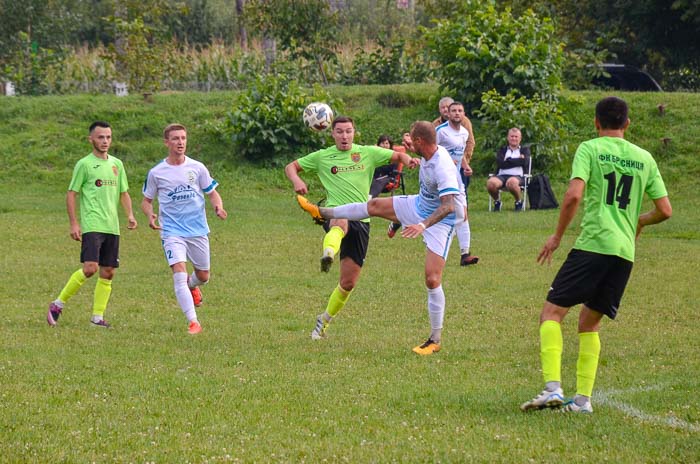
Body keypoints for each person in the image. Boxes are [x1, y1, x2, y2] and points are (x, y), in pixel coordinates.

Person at [520, 97, 672, 414]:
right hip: (624, 253)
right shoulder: (645, 158)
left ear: (596, 122)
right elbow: (665, 211)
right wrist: (638, 221)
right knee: (590, 324)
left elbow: (574, 194)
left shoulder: (590, 148)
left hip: (593, 244)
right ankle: (583, 401)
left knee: (551, 314)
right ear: (627, 124)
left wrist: (557, 236)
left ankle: (552, 389)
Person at [296, 121, 463, 356]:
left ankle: (435, 339)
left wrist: (422, 225)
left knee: (432, 278)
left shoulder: (442, 165)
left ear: (419, 142)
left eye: (409, 139)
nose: (404, 141)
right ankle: (322, 212)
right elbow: (408, 151)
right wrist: (403, 217)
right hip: (419, 205)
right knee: (373, 204)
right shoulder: (426, 152)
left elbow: (450, 206)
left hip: (441, 220)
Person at [285, 116, 415, 340]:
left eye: (348, 132)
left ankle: (323, 321)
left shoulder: (367, 152)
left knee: (348, 283)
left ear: (354, 133)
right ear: (332, 133)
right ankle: (328, 253)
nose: (344, 136)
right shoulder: (323, 156)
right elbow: (291, 167)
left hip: (363, 219)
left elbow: (397, 155)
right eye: (339, 132)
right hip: (335, 211)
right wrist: (297, 180)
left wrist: (407, 158)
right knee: (340, 223)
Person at [47, 121, 137, 328]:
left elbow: (124, 193)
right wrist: (74, 223)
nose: (105, 141)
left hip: (111, 226)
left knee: (108, 272)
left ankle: (97, 318)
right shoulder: (84, 165)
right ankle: (57, 304)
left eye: (108, 137)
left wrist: (130, 215)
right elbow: (72, 194)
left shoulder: (117, 164)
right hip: (92, 224)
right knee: (90, 268)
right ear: (91, 140)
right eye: (100, 137)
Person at [141, 123, 228, 335]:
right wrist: (150, 214)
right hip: (171, 231)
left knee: (204, 275)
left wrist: (218, 205)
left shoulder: (197, 168)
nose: (180, 142)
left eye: (183, 138)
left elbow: (212, 192)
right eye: (175, 139)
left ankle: (193, 285)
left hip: (197, 229)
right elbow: (146, 200)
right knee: (179, 272)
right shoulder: (157, 172)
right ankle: (193, 321)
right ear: (166, 143)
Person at [435, 101, 478, 266]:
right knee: (429, 209)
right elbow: (430, 152)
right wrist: (446, 160)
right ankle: (399, 220)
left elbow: (460, 157)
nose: (457, 113)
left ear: (464, 113)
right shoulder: (440, 132)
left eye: (460, 110)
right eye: (453, 111)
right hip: (440, 177)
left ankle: (465, 254)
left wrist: (466, 167)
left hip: (456, 179)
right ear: (448, 113)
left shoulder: (464, 133)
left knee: (462, 214)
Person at [431, 96, 476, 199]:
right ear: (440, 110)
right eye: (443, 107)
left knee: (461, 194)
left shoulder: (464, 124)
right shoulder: (437, 127)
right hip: (441, 167)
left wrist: (465, 162)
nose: (446, 109)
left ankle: (463, 214)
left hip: (460, 165)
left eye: (459, 111)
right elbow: (432, 148)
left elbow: (469, 143)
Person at [486, 128, 530, 211]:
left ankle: (518, 202)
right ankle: (497, 201)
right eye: (512, 136)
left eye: (516, 137)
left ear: (520, 138)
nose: (514, 138)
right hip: (501, 176)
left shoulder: (525, 150)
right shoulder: (502, 150)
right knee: (491, 183)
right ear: (508, 138)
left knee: (511, 182)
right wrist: (518, 160)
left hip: (518, 176)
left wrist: (508, 160)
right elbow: (500, 164)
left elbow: (525, 162)